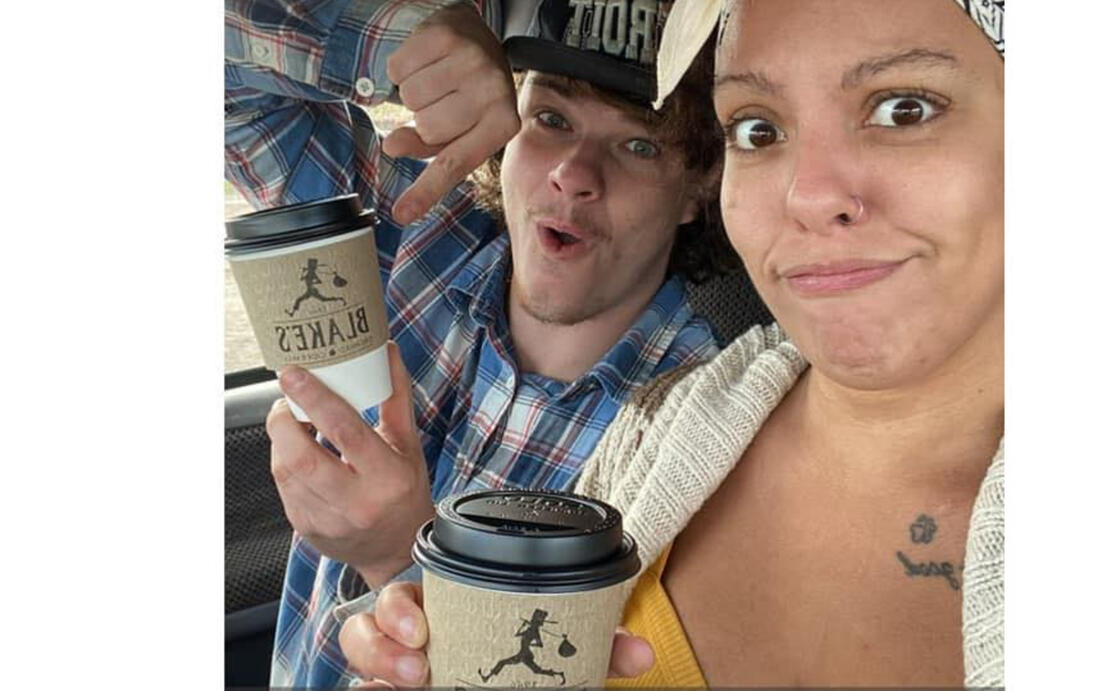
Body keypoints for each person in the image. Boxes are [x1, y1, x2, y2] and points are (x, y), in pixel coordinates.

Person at [338, 0, 1005, 687]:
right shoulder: (665, 428)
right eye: (758, 129)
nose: (807, 195)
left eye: (903, 110)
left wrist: (394, 553)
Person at [224, 0, 734, 686]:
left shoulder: (699, 436)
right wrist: (400, 45)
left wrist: (397, 558)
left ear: (700, 186)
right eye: (551, 119)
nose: (574, 174)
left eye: (640, 144)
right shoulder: (407, 236)